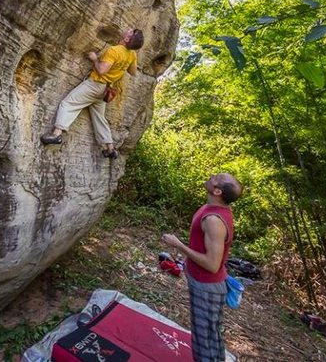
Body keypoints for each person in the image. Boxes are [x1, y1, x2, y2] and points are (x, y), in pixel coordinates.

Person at [162, 173, 243, 362]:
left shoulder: (214, 220)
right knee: (210, 334)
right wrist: (184, 258)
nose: (212, 175)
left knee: (203, 341)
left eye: (217, 178)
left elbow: (212, 264)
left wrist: (179, 245)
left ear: (217, 191)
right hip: (205, 282)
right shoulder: (212, 208)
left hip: (207, 285)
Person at [40, 28, 144, 158]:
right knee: (99, 118)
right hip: (106, 90)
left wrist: (95, 59)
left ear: (127, 39)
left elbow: (101, 70)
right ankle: (110, 148)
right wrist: (121, 66)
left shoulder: (114, 50)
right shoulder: (132, 54)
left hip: (95, 85)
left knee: (68, 103)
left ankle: (56, 134)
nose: (128, 29)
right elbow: (133, 72)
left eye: (130, 31)